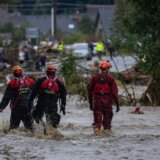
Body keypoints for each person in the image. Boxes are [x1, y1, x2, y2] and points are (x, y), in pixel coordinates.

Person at [29, 64, 67, 129]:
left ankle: (43, 126)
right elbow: (63, 95)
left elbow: (34, 93)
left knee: (36, 115)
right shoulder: (59, 82)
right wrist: (63, 106)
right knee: (52, 123)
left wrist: (29, 102)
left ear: (46, 71)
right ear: (55, 72)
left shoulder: (41, 80)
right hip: (53, 106)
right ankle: (51, 132)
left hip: (41, 104)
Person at [87, 61, 120, 135]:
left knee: (97, 122)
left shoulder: (94, 78)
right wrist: (117, 105)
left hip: (97, 101)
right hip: (108, 102)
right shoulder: (111, 79)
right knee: (107, 123)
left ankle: (96, 131)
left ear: (101, 69)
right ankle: (107, 135)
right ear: (108, 69)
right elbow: (115, 93)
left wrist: (90, 103)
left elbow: (90, 91)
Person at [0, 65, 35, 132]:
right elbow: (35, 94)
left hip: (16, 108)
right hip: (28, 108)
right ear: (22, 72)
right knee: (30, 129)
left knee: (13, 129)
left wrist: (1, 107)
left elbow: (6, 97)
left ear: (13, 74)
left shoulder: (12, 83)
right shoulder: (30, 81)